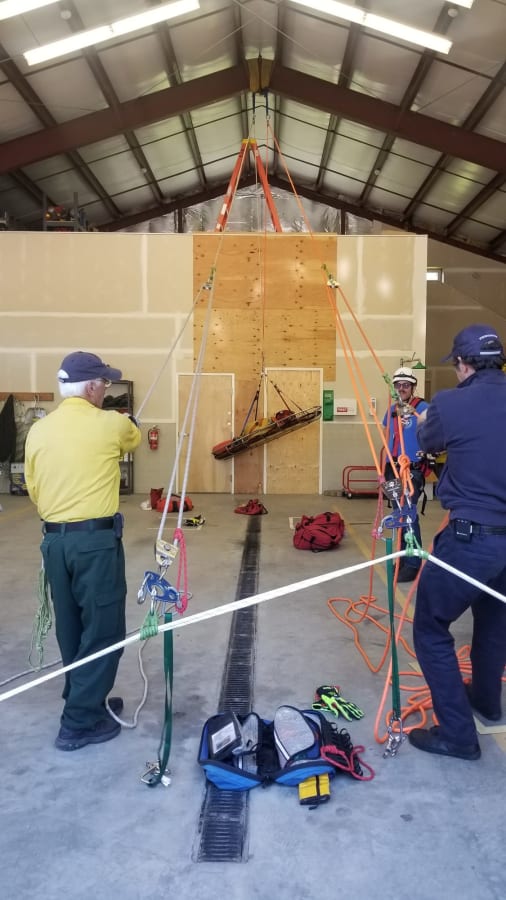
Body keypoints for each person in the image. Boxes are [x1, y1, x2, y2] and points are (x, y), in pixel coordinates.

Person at [24, 352, 141, 751]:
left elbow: (35, 490)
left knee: (71, 625)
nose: (105, 389)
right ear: (91, 387)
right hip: (95, 543)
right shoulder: (110, 423)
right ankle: (78, 722)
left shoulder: (40, 430)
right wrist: (127, 421)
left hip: (54, 542)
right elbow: (133, 437)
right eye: (104, 384)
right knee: (104, 628)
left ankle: (85, 699)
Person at [409, 324, 506, 760]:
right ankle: (486, 700)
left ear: (463, 365)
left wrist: (424, 421)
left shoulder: (449, 402)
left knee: (430, 626)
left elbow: (428, 442)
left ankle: (458, 737)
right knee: (494, 620)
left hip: (472, 538)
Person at [382, 366, 430, 582]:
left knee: (408, 513)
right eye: (398, 385)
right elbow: (387, 439)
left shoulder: (423, 408)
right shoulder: (391, 410)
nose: (402, 388)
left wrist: (416, 416)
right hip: (392, 467)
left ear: (413, 387)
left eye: (406, 385)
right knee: (398, 514)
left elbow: (434, 433)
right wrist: (382, 470)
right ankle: (402, 557)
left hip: (412, 468)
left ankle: (412, 563)